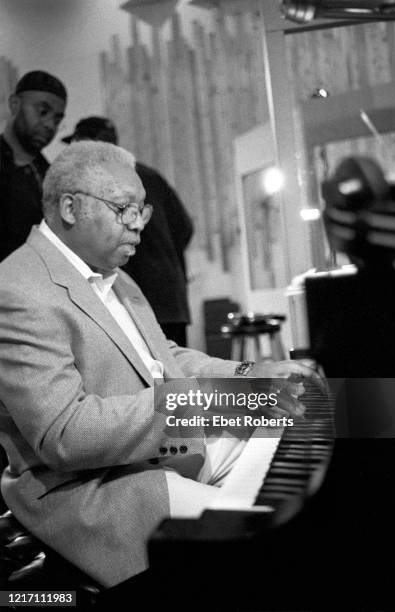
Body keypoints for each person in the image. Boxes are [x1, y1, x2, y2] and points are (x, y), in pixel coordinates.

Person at [0, 141, 316, 595]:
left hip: (162, 448)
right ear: (69, 207)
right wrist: (198, 404)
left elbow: (162, 353)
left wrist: (249, 377)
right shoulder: (18, 288)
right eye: (123, 208)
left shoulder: (117, 277)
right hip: (94, 488)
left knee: (301, 428)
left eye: (141, 210)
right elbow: (64, 435)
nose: (138, 225)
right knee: (270, 540)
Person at [62, 116, 193, 346]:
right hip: (171, 298)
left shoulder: (103, 182)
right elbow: (185, 228)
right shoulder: (150, 176)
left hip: (136, 297)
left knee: (150, 374)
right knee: (173, 373)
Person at [0, 70, 67, 262]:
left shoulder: (53, 177)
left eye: (57, 119)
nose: (49, 125)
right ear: (15, 104)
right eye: (43, 111)